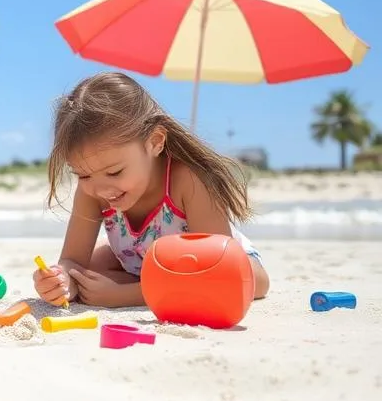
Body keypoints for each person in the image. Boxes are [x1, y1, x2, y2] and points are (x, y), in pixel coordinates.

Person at [33, 72, 270, 309]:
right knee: (84, 273)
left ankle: (147, 283)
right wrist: (60, 282)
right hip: (137, 262)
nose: (101, 188)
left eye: (115, 172)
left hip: (205, 265)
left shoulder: (189, 181)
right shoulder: (92, 192)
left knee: (248, 280)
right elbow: (72, 261)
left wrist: (124, 295)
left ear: (155, 142)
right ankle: (147, 280)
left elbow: (220, 273)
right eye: (83, 175)